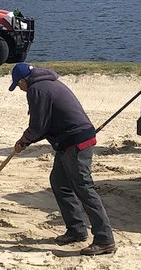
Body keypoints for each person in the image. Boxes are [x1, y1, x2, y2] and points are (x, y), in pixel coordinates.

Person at [10, 62, 116, 256]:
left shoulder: (37, 89)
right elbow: (46, 124)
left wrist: (23, 141)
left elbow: (38, 126)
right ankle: (76, 229)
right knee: (59, 182)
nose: (19, 88)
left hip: (76, 142)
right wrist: (27, 141)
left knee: (84, 188)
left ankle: (104, 239)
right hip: (67, 141)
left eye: (18, 84)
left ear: (24, 80)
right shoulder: (47, 82)